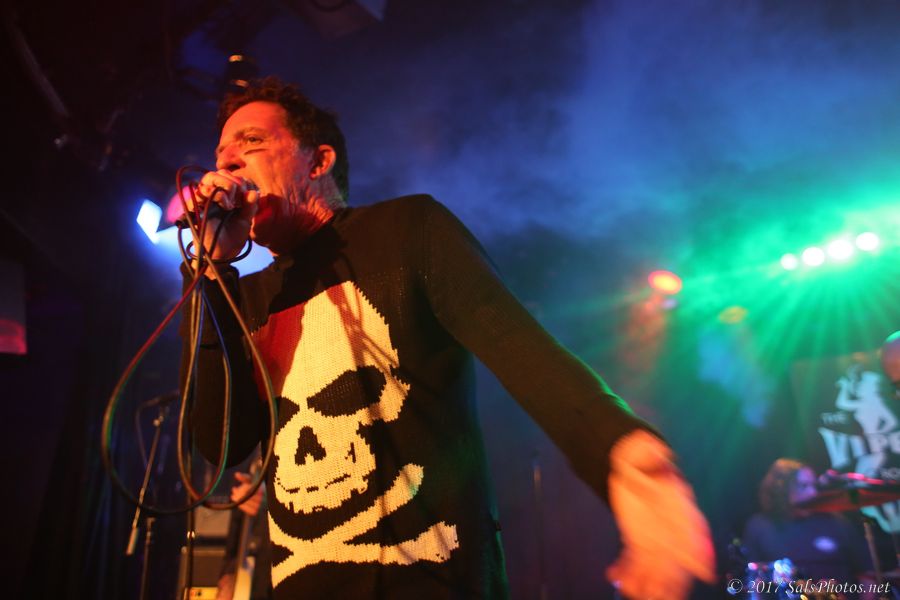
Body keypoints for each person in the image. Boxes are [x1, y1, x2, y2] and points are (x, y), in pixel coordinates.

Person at [181, 76, 714, 599]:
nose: (227, 164)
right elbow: (220, 444)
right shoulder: (245, 298)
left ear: (318, 161)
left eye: (252, 142)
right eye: (220, 155)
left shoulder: (407, 229)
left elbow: (518, 346)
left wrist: (621, 448)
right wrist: (209, 273)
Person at [742, 459, 873, 594]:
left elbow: (867, 574)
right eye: (803, 486)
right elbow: (753, 580)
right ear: (781, 489)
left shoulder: (836, 522)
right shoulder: (759, 526)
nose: (813, 493)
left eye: (814, 486)